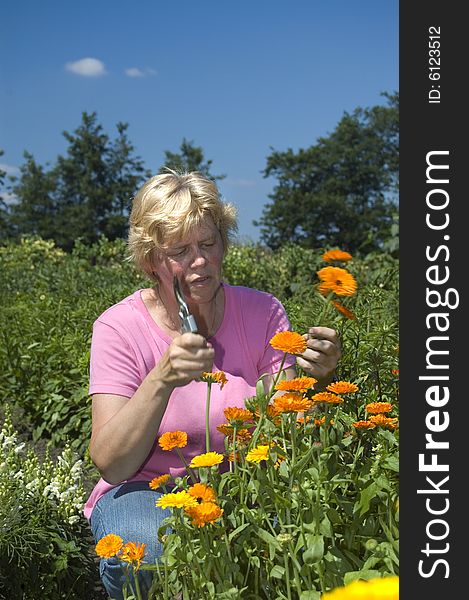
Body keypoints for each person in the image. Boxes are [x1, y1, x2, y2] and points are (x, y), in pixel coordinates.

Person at [85, 169, 341, 599]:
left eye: (208, 243)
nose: (200, 261)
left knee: (304, 530)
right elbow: (112, 463)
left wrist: (317, 380)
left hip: (244, 485)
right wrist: (162, 378)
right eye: (180, 251)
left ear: (224, 242)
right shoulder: (118, 327)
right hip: (146, 489)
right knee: (147, 550)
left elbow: (285, 428)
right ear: (151, 260)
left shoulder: (263, 312)